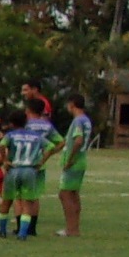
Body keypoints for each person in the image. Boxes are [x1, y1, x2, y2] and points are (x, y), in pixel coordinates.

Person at [0, 107, 62, 242]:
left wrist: (5, 160)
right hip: (30, 170)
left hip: (14, 169)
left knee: (8, 200)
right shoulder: (36, 136)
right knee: (28, 202)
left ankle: (2, 231)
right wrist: (41, 161)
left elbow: (1, 145)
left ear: (11, 123)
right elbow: (51, 146)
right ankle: (23, 233)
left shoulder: (10, 135)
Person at [56, 93, 92, 237]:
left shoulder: (78, 121)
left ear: (72, 104)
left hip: (74, 162)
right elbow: (67, 140)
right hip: (81, 160)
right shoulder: (86, 120)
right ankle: (74, 227)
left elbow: (78, 140)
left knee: (64, 194)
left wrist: (70, 159)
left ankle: (71, 229)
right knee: (73, 194)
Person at [22, 96, 58, 236]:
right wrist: (47, 155)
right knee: (34, 196)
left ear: (28, 110)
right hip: (39, 164)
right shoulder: (47, 125)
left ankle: (21, 228)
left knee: (21, 196)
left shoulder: (26, 125)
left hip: (24, 162)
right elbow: (61, 142)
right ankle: (32, 229)